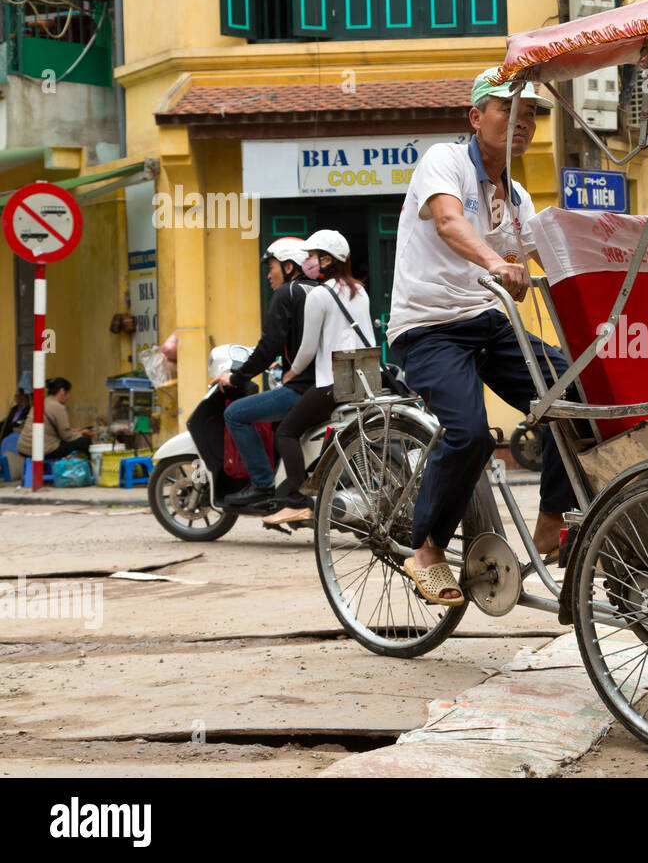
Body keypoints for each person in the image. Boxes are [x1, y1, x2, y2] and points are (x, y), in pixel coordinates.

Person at [387, 66, 573, 606]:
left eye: (531, 114)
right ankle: (425, 550)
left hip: (488, 323)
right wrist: (497, 261)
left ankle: (550, 525)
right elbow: (448, 222)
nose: (522, 123)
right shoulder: (444, 162)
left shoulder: (516, 196)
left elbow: (548, 253)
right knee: (469, 433)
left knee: (575, 393)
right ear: (476, 117)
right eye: (508, 110)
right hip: (429, 327)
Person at [262, 230, 373, 526]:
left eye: (311, 257)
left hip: (332, 382)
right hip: (364, 379)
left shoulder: (320, 295)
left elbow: (307, 349)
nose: (308, 262)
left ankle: (296, 502)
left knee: (285, 432)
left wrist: (291, 373)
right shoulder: (360, 291)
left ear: (326, 260)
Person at [212, 237, 319, 505]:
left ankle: (262, 485)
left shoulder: (286, 294)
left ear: (290, 266)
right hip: (323, 384)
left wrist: (237, 377)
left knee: (235, 413)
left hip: (302, 388)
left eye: (271, 266)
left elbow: (269, 345)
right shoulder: (318, 290)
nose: (268, 274)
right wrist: (283, 362)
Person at [17, 377, 94, 460]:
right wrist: (81, 434)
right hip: (40, 450)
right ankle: (88, 469)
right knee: (85, 442)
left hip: (23, 447)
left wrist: (77, 431)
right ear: (62, 391)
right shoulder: (58, 407)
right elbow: (66, 436)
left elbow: (51, 429)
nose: (68, 397)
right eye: (68, 393)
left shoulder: (41, 402)